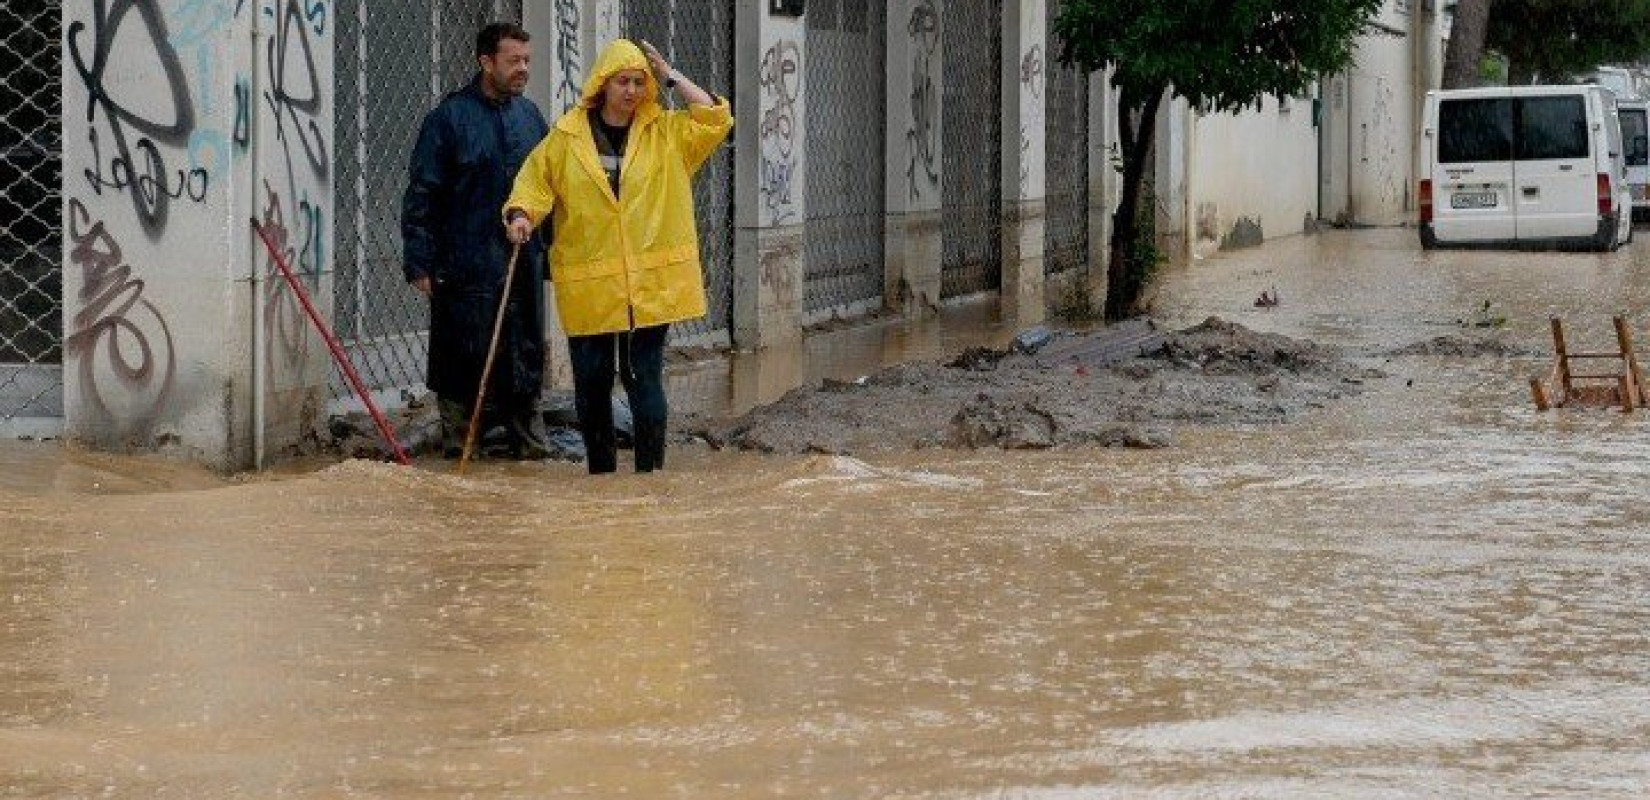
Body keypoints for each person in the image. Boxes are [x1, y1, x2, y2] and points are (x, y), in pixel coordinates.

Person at [503, 39, 733, 474]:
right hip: (590, 286)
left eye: (639, 82)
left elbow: (715, 118)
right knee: (590, 385)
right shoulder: (566, 138)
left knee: (642, 378)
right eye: (623, 82)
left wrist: (669, 74)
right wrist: (520, 215)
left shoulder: (667, 133)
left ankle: (650, 478)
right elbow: (533, 183)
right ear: (602, 85)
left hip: (648, 288)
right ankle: (602, 478)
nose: (631, 91)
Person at [403, 22, 551, 459]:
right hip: (463, 265)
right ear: (486, 62)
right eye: (514, 61)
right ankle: (460, 450)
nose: (523, 69)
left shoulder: (531, 117)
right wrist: (420, 262)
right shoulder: (448, 120)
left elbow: (549, 186)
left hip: (522, 262)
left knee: (524, 359)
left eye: (527, 60)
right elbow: (422, 194)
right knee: (461, 362)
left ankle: (530, 454)